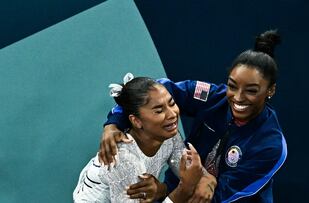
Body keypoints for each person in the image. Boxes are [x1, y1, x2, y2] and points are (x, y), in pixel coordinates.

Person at [100, 30, 287, 202]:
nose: (237, 97)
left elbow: (219, 198)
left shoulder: (271, 145)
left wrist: (165, 191)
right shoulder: (212, 97)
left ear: (270, 90)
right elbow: (146, 93)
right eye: (232, 85)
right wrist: (113, 124)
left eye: (251, 91)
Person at [73, 76, 205, 203]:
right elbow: (188, 184)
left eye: (172, 103)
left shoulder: (169, 136)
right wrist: (185, 189)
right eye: (159, 111)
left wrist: (205, 178)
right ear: (136, 121)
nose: (172, 114)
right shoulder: (124, 159)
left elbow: (190, 173)